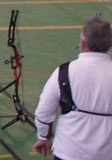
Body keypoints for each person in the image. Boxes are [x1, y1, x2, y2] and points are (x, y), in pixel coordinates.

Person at [33, 16, 112, 159]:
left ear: (83, 44)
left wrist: (43, 137)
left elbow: (43, 113)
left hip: (68, 153)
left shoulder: (64, 72)